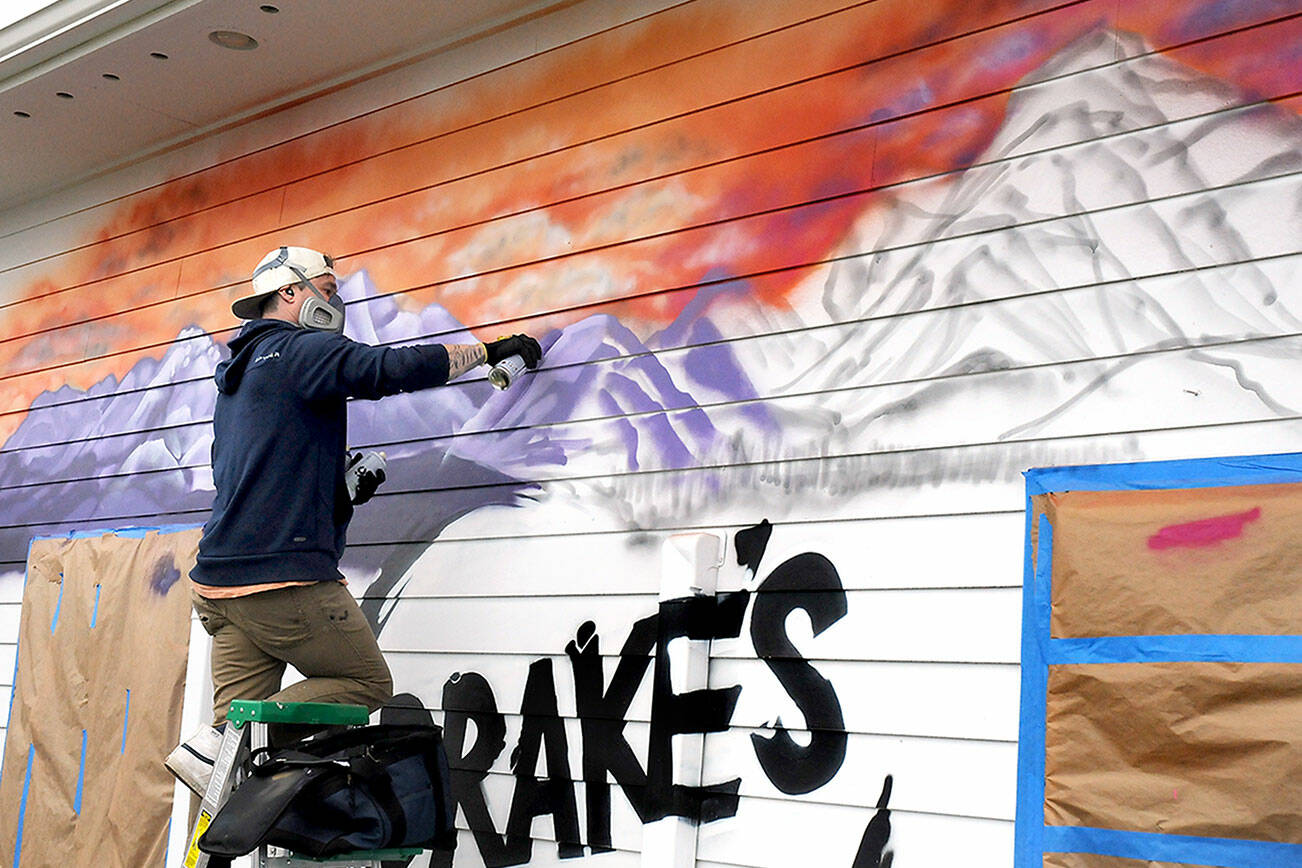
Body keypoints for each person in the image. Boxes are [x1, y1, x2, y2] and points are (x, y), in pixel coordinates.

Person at [165, 245, 541, 794]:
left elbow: (248, 480)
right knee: (364, 682)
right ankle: (227, 740)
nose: (335, 302)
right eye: (327, 290)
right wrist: (485, 352)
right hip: (282, 581)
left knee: (233, 768)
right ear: (290, 292)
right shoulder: (299, 348)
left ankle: (224, 759)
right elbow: (384, 370)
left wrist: (337, 495)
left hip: (220, 586)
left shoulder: (238, 382)